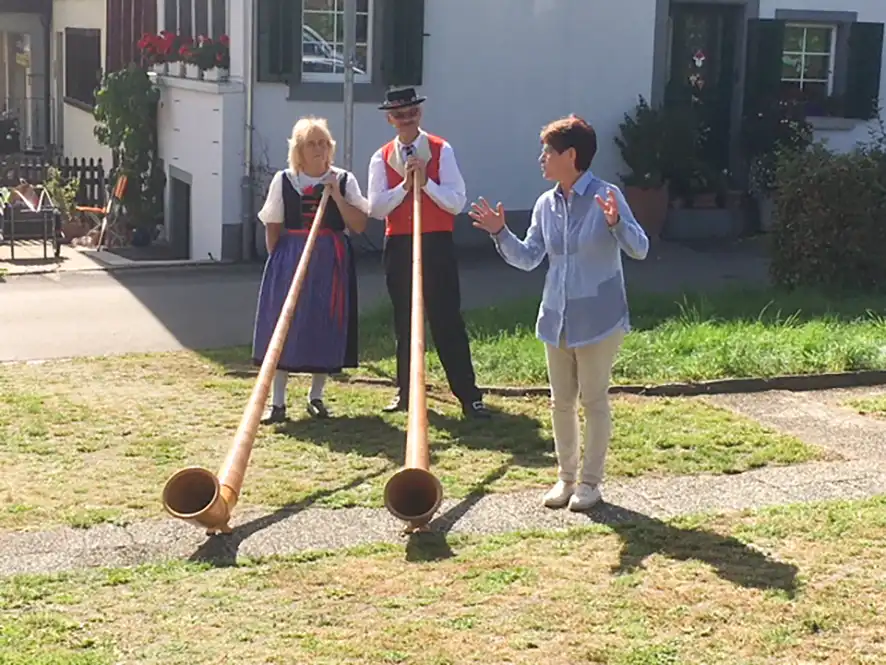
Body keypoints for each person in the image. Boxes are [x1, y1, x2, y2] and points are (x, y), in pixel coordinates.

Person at [469, 114, 649, 511]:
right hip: (557, 318)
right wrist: (501, 232)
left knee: (594, 401)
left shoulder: (607, 195)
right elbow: (530, 257)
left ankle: (590, 483)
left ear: (571, 155)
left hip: (599, 318)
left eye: (547, 151)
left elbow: (640, 248)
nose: (541, 159)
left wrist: (616, 222)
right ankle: (566, 478)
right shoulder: (545, 204)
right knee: (560, 402)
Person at [367, 87, 489, 419]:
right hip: (399, 243)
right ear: (390, 119)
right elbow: (376, 208)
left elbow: (456, 200)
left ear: (419, 115)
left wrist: (426, 184)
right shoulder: (381, 157)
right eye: (399, 115)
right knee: (405, 320)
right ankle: (407, 392)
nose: (406, 120)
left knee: (446, 318)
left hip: (435, 241)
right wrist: (405, 187)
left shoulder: (441, 149)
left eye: (411, 113)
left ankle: (468, 395)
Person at [253, 116, 369, 423]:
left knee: (323, 322)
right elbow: (273, 225)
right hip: (290, 255)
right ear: (298, 150)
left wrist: (337, 196)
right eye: (311, 144)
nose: (318, 149)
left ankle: (316, 396)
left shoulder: (343, 180)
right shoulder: (284, 180)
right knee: (284, 325)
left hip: (331, 259)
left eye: (323, 143)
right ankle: (277, 403)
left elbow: (358, 225)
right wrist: (279, 262)